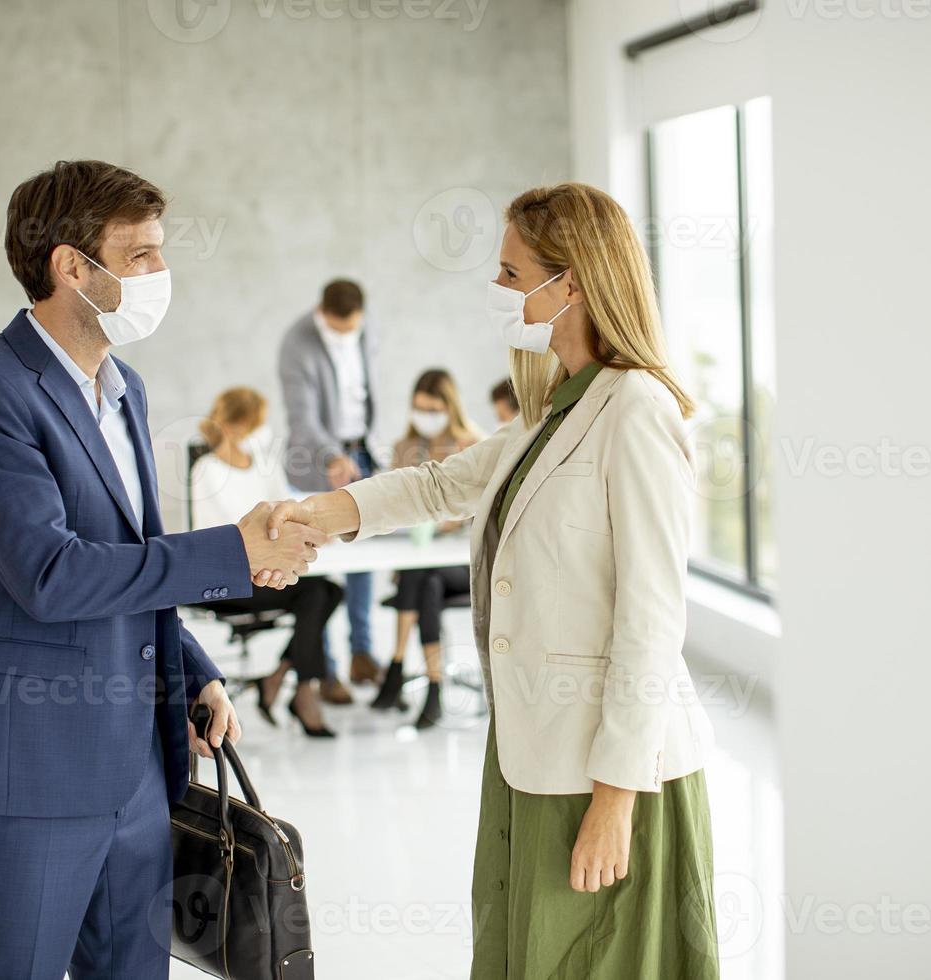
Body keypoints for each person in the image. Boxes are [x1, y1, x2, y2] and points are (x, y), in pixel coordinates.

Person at [255, 182, 719, 978]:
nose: (498, 291)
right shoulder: (553, 410)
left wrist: (615, 799)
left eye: (510, 273)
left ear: (569, 281)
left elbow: (650, 620)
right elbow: (437, 486)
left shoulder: (636, 409)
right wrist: (313, 514)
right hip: (534, 754)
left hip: (608, 771)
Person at [0, 160, 324, 979]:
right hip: (37, 769)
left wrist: (197, 671)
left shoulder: (126, 388)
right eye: (140, 255)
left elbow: (132, 558)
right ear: (73, 266)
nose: (160, 274)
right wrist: (232, 551)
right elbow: (54, 575)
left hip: (143, 770)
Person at [191, 386, 344, 737]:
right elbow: (226, 533)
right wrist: (275, 539)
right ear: (235, 426)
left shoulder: (265, 465)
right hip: (225, 578)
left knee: (329, 592)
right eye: (258, 425)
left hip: (266, 567)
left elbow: (286, 511)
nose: (264, 432)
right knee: (318, 594)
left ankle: (282, 679)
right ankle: (301, 692)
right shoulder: (207, 470)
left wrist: (317, 528)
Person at [278, 278, 384, 703]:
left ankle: (361, 650)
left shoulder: (366, 327)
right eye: (338, 329)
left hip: (362, 452)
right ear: (322, 313)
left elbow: (371, 394)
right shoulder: (297, 342)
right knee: (316, 566)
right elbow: (301, 418)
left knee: (367, 555)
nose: (346, 336)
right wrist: (331, 457)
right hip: (315, 461)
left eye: (351, 329)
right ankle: (326, 672)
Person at [369, 369, 485, 727]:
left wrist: (444, 521)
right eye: (419, 408)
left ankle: (397, 664)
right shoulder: (405, 448)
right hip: (420, 564)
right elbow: (391, 501)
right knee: (426, 581)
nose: (425, 417)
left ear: (450, 407)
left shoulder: (473, 444)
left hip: (462, 564)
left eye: (433, 409)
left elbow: (481, 506)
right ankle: (433, 687)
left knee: (422, 576)